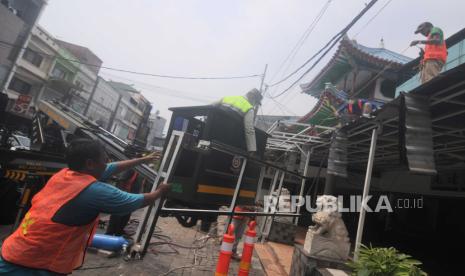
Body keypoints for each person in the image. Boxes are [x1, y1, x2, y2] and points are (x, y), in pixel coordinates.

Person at [0, 138, 170, 275]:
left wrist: (143, 160)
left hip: (16, 250)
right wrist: (160, 191)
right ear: (90, 164)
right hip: (33, 265)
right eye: (104, 160)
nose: (107, 163)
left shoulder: (64, 175)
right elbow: (134, 201)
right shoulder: (93, 191)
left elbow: (111, 168)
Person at [215, 89, 263, 154]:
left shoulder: (227, 98)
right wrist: (252, 149)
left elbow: (209, 108)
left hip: (211, 130)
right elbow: (249, 129)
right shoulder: (249, 108)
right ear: (253, 99)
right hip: (227, 140)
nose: (255, 105)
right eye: (256, 103)